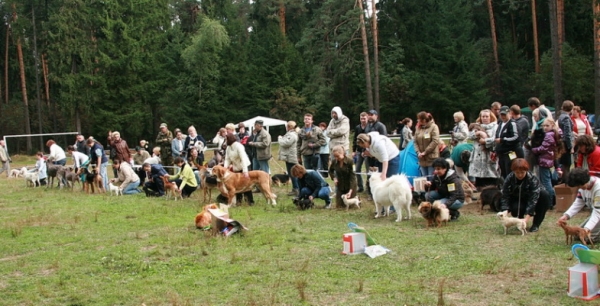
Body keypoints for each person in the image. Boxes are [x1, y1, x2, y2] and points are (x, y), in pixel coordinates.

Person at [500, 158, 550, 233]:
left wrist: (527, 218)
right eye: (517, 172)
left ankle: (536, 224)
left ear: (526, 171)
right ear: (513, 171)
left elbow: (533, 199)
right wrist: (505, 211)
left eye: (522, 172)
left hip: (533, 200)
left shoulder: (533, 179)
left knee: (544, 194)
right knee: (516, 208)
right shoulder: (509, 178)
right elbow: (505, 196)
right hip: (518, 199)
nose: (520, 175)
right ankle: (519, 220)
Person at [558, 168, 600, 242]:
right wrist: (566, 215)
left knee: (587, 238)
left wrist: (587, 228)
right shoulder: (583, 188)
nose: (579, 188)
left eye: (580, 186)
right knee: (577, 234)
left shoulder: (598, 188)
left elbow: (597, 212)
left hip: (598, 213)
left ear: (585, 180)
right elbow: (578, 202)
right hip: (597, 214)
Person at [531, 118, 562, 209]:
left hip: (544, 161)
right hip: (547, 159)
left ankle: (550, 202)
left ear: (552, 126)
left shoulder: (548, 135)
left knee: (546, 182)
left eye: (547, 125)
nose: (545, 127)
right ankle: (550, 201)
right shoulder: (553, 134)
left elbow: (543, 148)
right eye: (543, 126)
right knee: (546, 181)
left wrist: (533, 149)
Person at [469, 109, 500, 188]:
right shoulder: (476, 126)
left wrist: (485, 140)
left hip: (489, 157)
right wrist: (479, 133)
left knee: (491, 182)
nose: (485, 118)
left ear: (491, 117)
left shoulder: (495, 127)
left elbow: (496, 140)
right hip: (478, 159)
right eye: (483, 116)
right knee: (479, 183)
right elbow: (470, 136)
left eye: (487, 116)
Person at [223, 133, 254, 205]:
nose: (225, 141)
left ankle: (250, 201)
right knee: (237, 185)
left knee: (246, 184)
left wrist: (245, 171)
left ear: (229, 139)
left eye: (226, 140)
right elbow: (227, 159)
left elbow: (243, 158)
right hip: (236, 167)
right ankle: (239, 202)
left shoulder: (239, 146)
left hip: (245, 166)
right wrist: (225, 168)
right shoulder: (228, 147)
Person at [495, 105, 520, 179]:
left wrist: (503, 140)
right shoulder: (500, 124)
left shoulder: (512, 123)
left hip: (511, 152)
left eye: (504, 114)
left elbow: (516, 137)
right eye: (501, 115)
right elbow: (497, 136)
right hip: (501, 153)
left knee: (510, 171)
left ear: (509, 113)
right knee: (503, 172)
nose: (503, 116)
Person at [414, 111, 440, 179]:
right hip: (421, 159)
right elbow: (415, 141)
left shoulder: (434, 127)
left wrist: (425, 152)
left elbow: (435, 141)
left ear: (424, 120)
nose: (417, 120)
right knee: (424, 179)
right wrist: (418, 152)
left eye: (419, 119)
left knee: (431, 179)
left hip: (431, 158)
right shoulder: (418, 128)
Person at [278, 121, 300, 196]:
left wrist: (280, 138)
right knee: (291, 173)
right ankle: (295, 188)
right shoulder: (291, 134)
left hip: (291, 157)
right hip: (289, 156)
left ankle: (296, 189)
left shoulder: (292, 135)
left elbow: (285, 143)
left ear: (289, 127)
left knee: (293, 174)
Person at [558, 101, 575, 184]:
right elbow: (567, 133)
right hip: (566, 143)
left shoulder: (561, 116)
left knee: (564, 164)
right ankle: (566, 182)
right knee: (566, 164)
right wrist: (570, 146)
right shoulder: (566, 117)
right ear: (571, 108)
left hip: (563, 142)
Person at [353, 112, 369, 193]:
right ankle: (360, 186)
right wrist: (353, 150)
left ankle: (368, 188)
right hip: (359, 151)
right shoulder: (357, 127)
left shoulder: (369, 127)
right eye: (361, 118)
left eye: (364, 118)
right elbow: (355, 139)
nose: (362, 120)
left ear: (367, 118)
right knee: (357, 169)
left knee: (367, 170)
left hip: (367, 151)